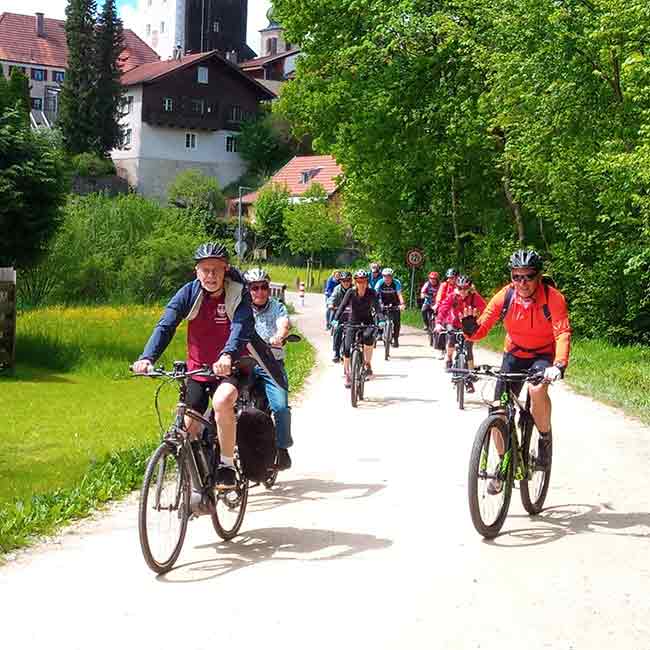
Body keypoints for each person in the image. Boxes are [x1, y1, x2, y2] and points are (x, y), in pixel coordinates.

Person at [132, 242, 285, 491]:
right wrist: (147, 357)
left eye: (216, 269)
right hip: (199, 370)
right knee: (187, 428)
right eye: (205, 270)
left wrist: (227, 355)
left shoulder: (238, 293)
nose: (211, 276)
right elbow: (166, 325)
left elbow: (241, 328)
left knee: (222, 402)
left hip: (232, 367)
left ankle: (226, 466)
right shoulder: (189, 294)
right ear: (196, 271)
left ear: (225, 270)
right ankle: (194, 481)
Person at [461, 249, 571, 491]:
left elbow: (562, 332)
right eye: (516, 276)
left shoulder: (553, 298)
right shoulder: (506, 295)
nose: (522, 283)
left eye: (528, 276)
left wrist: (559, 364)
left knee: (536, 387)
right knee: (497, 411)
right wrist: (470, 329)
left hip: (543, 354)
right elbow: (483, 327)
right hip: (514, 353)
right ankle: (504, 466)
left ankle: (544, 438)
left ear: (538, 276)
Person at [244, 268, 293, 471]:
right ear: (248, 290)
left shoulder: (277, 307)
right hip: (245, 365)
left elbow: (284, 325)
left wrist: (278, 337)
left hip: (271, 364)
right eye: (254, 288)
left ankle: (282, 448)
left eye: (264, 287)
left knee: (280, 407)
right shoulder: (241, 308)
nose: (260, 292)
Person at [435, 275, 486, 392]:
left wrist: (481, 322)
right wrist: (438, 323)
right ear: (457, 287)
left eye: (465, 288)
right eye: (460, 288)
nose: (462, 291)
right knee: (451, 340)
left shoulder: (474, 297)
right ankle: (448, 358)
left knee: (468, 349)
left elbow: (485, 309)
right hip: (454, 323)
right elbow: (443, 308)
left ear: (469, 287)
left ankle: (470, 374)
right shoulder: (453, 296)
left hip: (469, 326)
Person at [333, 269, 379, 388]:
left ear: (367, 282)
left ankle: (367, 363)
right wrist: (335, 319)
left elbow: (377, 308)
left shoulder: (371, 292)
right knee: (347, 348)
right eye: (358, 281)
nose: (361, 284)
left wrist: (382, 319)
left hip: (368, 321)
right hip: (353, 322)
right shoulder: (351, 292)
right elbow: (342, 306)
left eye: (363, 281)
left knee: (368, 337)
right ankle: (348, 373)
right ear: (355, 282)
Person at [374, 267, 406, 347]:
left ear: (392, 277)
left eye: (389, 276)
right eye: (385, 276)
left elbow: (399, 294)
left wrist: (402, 303)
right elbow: (375, 294)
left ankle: (395, 339)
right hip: (382, 302)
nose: (387, 278)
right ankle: (377, 334)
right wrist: (374, 303)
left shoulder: (396, 283)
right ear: (382, 276)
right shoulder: (380, 282)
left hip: (394, 303)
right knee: (377, 315)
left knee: (397, 322)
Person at [327, 270, 353, 362]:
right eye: (343, 281)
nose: (346, 283)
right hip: (340, 314)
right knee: (338, 330)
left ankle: (357, 351)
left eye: (348, 280)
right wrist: (330, 305)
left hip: (353, 315)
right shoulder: (337, 289)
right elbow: (332, 298)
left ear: (351, 281)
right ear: (340, 281)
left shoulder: (355, 289)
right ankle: (336, 353)